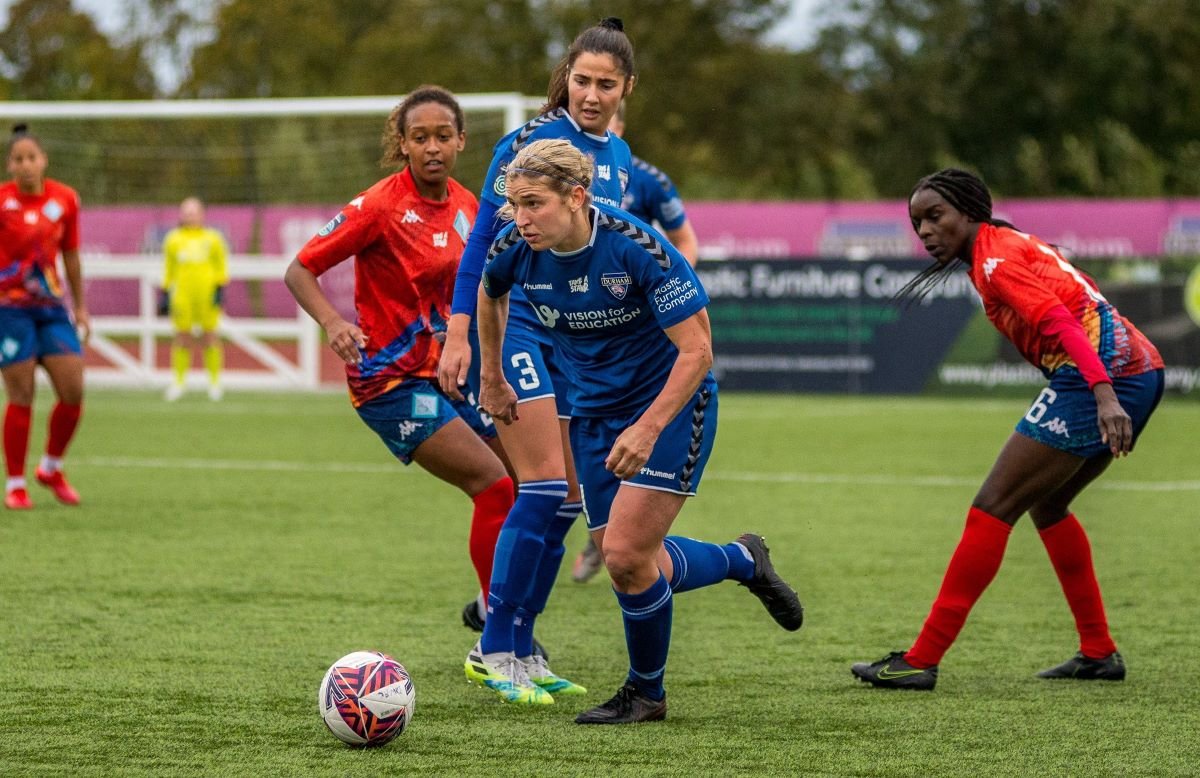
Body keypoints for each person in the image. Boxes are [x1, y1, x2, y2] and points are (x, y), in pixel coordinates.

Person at [479, 138, 805, 724]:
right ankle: (741, 559)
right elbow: (490, 293)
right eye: (514, 205)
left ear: (576, 197)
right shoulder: (514, 248)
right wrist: (492, 375)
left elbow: (698, 349)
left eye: (533, 204)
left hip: (672, 407)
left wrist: (649, 429)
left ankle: (646, 693)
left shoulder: (637, 248)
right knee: (628, 559)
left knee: (626, 555)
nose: (520, 218)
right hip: (595, 416)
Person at [852, 168, 1165, 691]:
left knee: (993, 505)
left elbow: (1063, 323)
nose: (925, 230)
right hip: (1136, 368)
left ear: (969, 211)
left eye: (935, 216)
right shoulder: (1000, 245)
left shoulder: (994, 261)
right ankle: (1098, 652)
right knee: (1046, 505)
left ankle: (921, 659)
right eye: (917, 222)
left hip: (1107, 377)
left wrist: (1104, 395)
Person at [284, 88, 516, 681]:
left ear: (462, 141)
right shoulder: (380, 206)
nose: (433, 147)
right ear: (403, 144)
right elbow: (299, 269)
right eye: (421, 137)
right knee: (494, 488)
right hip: (387, 382)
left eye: (444, 135)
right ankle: (496, 642)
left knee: (530, 484)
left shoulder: (470, 205)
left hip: (448, 374)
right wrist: (334, 322)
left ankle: (494, 609)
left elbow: (486, 292)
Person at [438, 18, 639, 705]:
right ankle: (492, 646)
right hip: (517, 323)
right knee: (546, 487)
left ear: (626, 89)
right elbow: (481, 249)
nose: (590, 94)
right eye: (581, 80)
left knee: (569, 501)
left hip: (574, 342)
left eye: (604, 84)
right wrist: (461, 333)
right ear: (567, 78)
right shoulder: (529, 142)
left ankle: (521, 648)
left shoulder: (620, 158)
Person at [571, 101, 700, 583]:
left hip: (640, 328)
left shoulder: (648, 180)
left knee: (628, 549)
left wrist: (667, 286)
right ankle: (601, 539)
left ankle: (617, 543)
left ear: (621, 126)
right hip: (586, 336)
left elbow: (685, 241)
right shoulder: (555, 181)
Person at [1, 124, 89, 510]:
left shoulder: (65, 199)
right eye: (18, 159)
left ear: (44, 160)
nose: (26, 165)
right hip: (9, 311)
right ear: (9, 165)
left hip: (52, 309)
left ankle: (51, 468)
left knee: (73, 391)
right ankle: (15, 484)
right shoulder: (2, 201)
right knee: (22, 395)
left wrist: (81, 306)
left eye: (31, 158)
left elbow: (70, 255)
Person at [159, 196, 230, 402]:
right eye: (186, 212)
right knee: (182, 337)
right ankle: (179, 382)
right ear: (181, 215)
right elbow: (169, 269)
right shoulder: (173, 239)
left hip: (207, 296)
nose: (190, 216)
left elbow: (221, 266)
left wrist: (219, 289)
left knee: (210, 336)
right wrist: (165, 293)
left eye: (194, 211)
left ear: (202, 214)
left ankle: (215, 383)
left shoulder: (213, 238)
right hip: (182, 296)